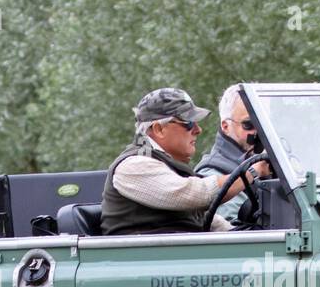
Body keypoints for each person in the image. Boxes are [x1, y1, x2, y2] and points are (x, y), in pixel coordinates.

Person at [100, 87, 254, 235]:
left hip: (176, 256)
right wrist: (253, 171)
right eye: (188, 123)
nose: (198, 130)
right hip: (145, 259)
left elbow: (206, 219)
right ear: (159, 129)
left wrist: (243, 234)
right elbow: (196, 195)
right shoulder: (134, 165)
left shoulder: (166, 164)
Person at [195, 84, 260, 224]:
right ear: (226, 126)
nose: (258, 132)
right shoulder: (212, 172)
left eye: (263, 123)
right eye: (249, 124)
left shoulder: (275, 163)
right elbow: (233, 231)